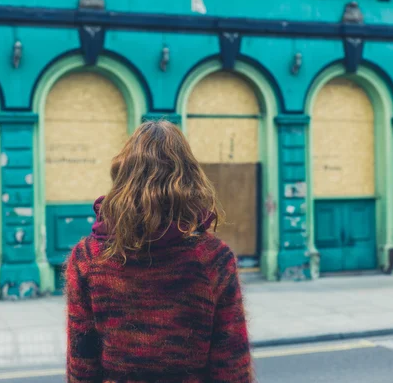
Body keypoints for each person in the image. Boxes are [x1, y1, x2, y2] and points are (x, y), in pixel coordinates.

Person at [65, 120, 253, 383]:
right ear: (189, 178)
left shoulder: (87, 258)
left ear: (122, 175)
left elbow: (81, 362)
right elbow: (231, 364)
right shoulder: (213, 259)